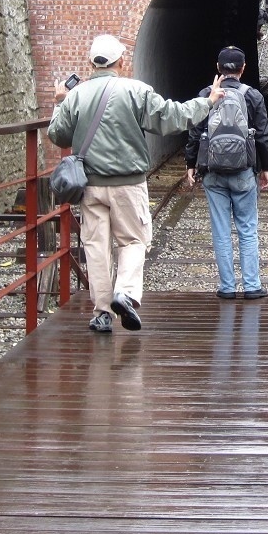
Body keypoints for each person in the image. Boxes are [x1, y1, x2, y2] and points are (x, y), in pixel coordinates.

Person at [49, 34, 223, 334]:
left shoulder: (76, 94)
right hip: (128, 184)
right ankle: (125, 292)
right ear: (121, 61)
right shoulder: (136, 90)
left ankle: (102, 313)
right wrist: (206, 102)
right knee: (133, 240)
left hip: (89, 185)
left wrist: (58, 103)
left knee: (96, 246)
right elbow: (172, 118)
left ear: (91, 63)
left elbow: (59, 135)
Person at [185, 46, 268, 299]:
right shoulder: (252, 95)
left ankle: (226, 287)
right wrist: (265, 167)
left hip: (212, 172)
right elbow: (263, 136)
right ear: (243, 68)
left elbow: (194, 131)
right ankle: (252, 286)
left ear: (218, 68)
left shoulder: (207, 94)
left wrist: (191, 164)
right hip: (244, 170)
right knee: (247, 228)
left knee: (221, 229)